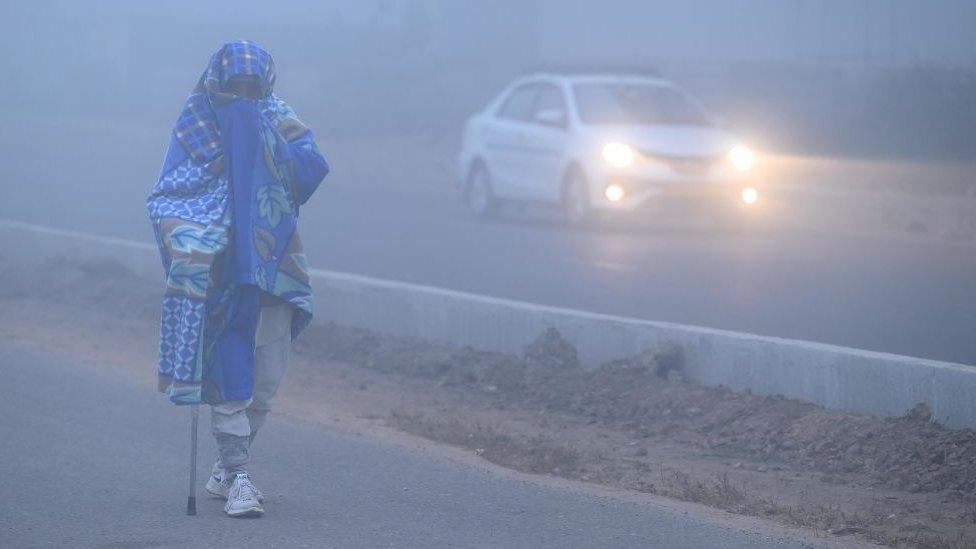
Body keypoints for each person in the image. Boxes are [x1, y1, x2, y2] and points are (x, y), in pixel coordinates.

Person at [147, 40, 329, 518]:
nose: (244, 97)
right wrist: (192, 244)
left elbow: (311, 169)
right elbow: (168, 197)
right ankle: (240, 474)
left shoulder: (277, 117)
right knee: (232, 373)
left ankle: (226, 468)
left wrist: (262, 139)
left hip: (273, 268)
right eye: (235, 89)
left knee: (264, 383)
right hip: (222, 273)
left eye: (253, 88)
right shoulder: (196, 127)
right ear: (217, 86)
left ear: (265, 85)